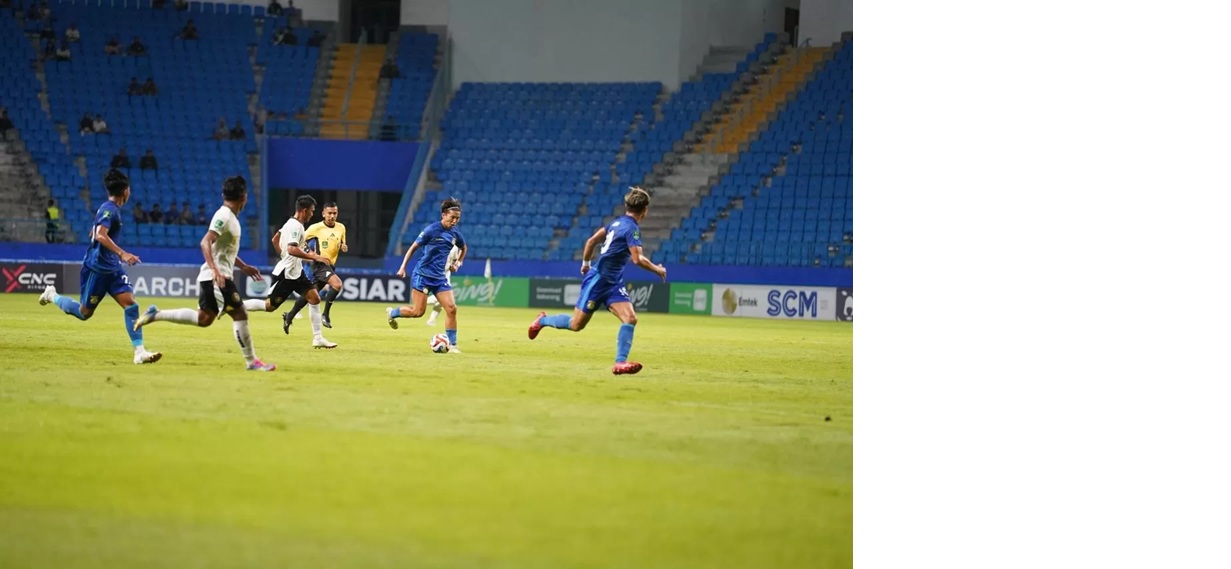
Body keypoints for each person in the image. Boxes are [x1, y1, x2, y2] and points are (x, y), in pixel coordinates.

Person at [133, 176, 275, 371]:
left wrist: (244, 267)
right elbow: (205, 242)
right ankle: (252, 362)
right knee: (240, 313)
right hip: (218, 277)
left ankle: (155, 314)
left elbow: (224, 249)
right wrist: (216, 271)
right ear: (244, 197)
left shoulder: (230, 217)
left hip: (215, 276)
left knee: (204, 319)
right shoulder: (223, 216)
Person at [527, 187, 666, 375]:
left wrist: (585, 263)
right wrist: (657, 269)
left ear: (627, 206)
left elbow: (591, 241)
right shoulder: (632, 229)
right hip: (599, 280)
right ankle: (542, 321)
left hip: (613, 282)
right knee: (576, 325)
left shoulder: (616, 224)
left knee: (630, 318)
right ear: (645, 210)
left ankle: (620, 363)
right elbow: (637, 259)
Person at [37, 169, 162, 365]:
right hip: (96, 270)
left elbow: (96, 232)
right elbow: (100, 235)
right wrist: (122, 253)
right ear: (125, 191)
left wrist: (98, 233)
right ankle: (51, 295)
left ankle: (140, 352)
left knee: (131, 305)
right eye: (129, 189)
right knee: (84, 313)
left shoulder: (109, 210)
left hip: (112, 269)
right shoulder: (109, 209)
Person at [240, 195, 337, 349]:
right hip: (287, 274)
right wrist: (313, 256)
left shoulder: (291, 223)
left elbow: (275, 239)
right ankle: (233, 306)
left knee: (314, 298)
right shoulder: (295, 226)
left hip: (296, 272)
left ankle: (318, 338)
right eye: (311, 211)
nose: (312, 214)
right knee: (269, 306)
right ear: (304, 211)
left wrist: (283, 255)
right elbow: (292, 249)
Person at [387, 198, 467, 353]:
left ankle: (453, 345)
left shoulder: (455, 233)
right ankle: (393, 312)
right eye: (452, 218)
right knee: (418, 312)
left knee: (451, 308)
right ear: (444, 215)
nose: (455, 221)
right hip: (422, 275)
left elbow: (464, 247)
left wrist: (458, 262)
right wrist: (403, 267)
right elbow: (413, 248)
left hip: (439, 277)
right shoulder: (431, 230)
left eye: (458, 218)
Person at [282, 201, 346, 331]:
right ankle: (326, 315)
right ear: (323, 213)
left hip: (330, 265)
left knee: (310, 294)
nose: (332, 216)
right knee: (337, 284)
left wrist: (344, 246)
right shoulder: (315, 228)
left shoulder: (341, 227)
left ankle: (289, 315)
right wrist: (310, 253)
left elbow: (342, 242)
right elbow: (301, 240)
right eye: (329, 213)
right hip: (319, 264)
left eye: (334, 213)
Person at [424, 245, 461, 327]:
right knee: (445, 300)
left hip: (446, 277)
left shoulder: (454, 248)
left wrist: (454, 266)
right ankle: (420, 303)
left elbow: (454, 261)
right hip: (435, 275)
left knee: (443, 301)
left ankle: (431, 320)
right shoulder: (437, 244)